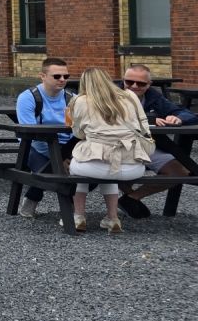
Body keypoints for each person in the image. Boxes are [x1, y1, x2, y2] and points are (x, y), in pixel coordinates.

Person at [64, 68, 155, 233]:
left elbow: (78, 133)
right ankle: (113, 219)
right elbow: (143, 127)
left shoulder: (80, 100)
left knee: (79, 163)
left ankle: (78, 216)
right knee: (111, 165)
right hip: (133, 166)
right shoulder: (130, 96)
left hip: (95, 165)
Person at [118, 63, 196, 218]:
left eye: (140, 83)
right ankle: (123, 200)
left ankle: (132, 197)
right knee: (117, 171)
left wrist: (178, 118)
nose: (134, 86)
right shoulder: (111, 94)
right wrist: (150, 119)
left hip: (147, 145)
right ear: (123, 80)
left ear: (149, 85)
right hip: (117, 146)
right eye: (129, 82)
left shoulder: (153, 97)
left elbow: (188, 113)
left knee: (179, 172)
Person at [14, 57, 73, 218]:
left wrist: (68, 155)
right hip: (33, 147)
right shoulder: (28, 98)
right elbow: (31, 135)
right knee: (52, 173)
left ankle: (72, 210)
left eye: (65, 76)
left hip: (67, 148)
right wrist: (57, 159)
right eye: (57, 76)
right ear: (42, 76)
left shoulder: (71, 98)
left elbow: (78, 131)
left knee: (90, 173)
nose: (62, 80)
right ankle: (68, 213)